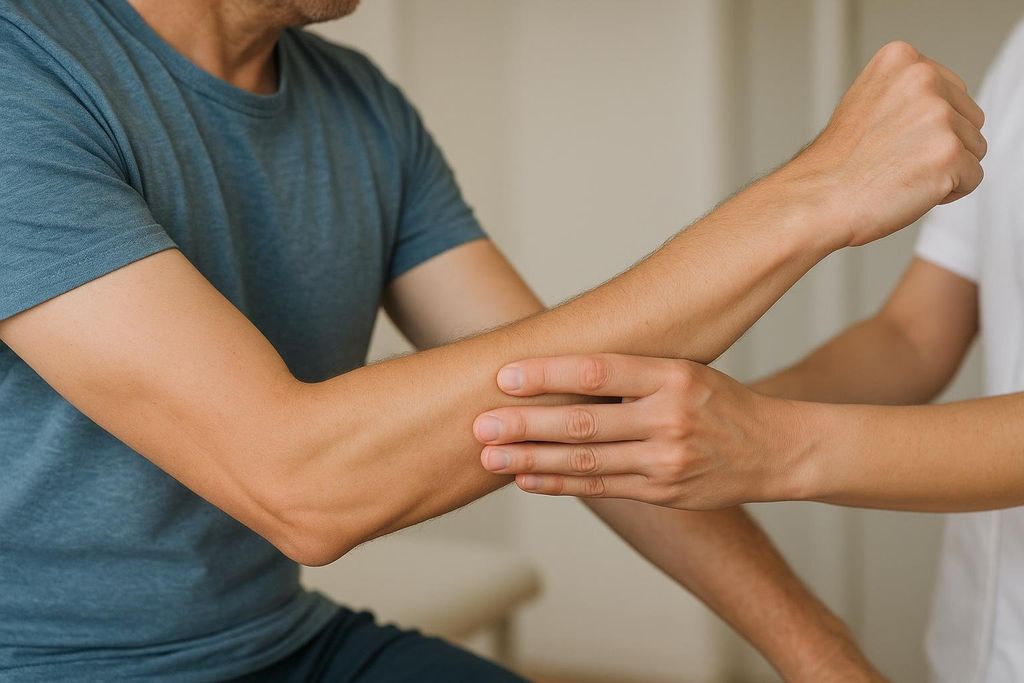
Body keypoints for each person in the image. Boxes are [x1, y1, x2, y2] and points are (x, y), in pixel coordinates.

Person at [0, 0, 985, 680]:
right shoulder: (22, 67)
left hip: (272, 638)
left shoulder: (365, 111)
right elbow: (299, 482)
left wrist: (822, 655)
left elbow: (579, 407)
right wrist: (803, 201)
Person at [482, 16, 1024, 683]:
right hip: (977, 635)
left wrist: (771, 443)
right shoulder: (1017, 56)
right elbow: (911, 336)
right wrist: (707, 420)